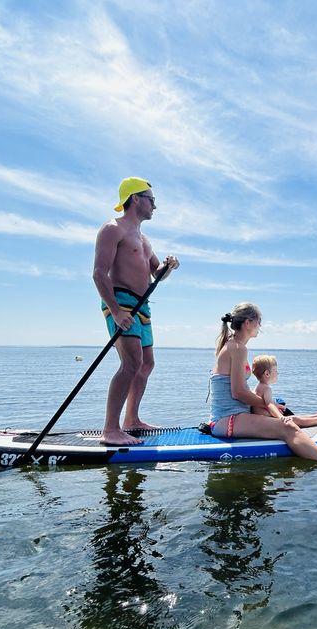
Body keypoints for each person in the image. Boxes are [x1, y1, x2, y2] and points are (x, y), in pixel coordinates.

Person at [208, 303, 317, 465]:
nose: (260, 326)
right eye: (259, 322)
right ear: (248, 323)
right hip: (228, 420)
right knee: (287, 427)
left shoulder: (234, 345)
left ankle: (316, 422)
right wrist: (268, 404)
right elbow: (238, 392)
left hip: (233, 416)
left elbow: (239, 391)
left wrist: (269, 405)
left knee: (285, 417)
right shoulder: (237, 348)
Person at [93, 177, 180, 446]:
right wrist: (116, 310)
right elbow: (99, 273)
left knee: (146, 364)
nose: (155, 205)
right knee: (130, 364)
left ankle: (131, 419)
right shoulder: (112, 229)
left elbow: (156, 274)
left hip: (143, 307)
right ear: (135, 199)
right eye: (152, 199)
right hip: (121, 302)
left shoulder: (143, 239)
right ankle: (110, 429)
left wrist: (168, 266)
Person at [249, 355, 317, 427]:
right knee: (294, 419)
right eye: (275, 370)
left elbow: (264, 404)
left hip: (263, 420)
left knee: (295, 417)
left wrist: (277, 406)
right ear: (267, 373)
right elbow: (269, 405)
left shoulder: (258, 387)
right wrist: (280, 417)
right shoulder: (267, 389)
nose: (278, 373)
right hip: (267, 422)